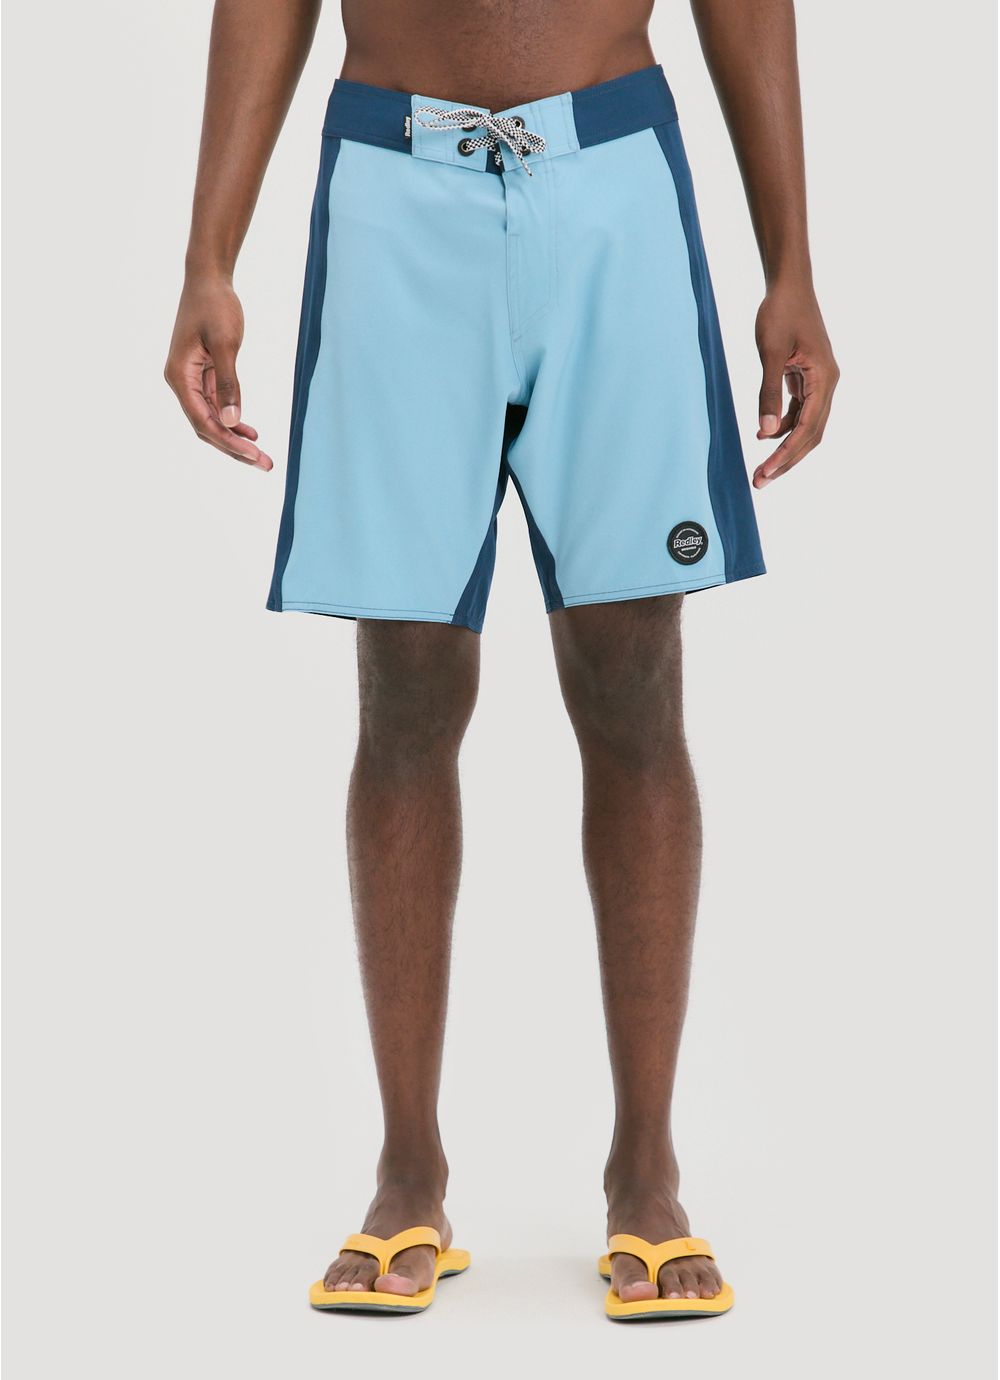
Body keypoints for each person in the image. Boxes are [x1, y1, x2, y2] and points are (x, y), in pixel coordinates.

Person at [165, 0, 838, 1320]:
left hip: (612, 181)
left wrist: (792, 264)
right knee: (407, 685)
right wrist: (208, 256)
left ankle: (647, 1172)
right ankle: (406, 1173)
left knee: (632, 680)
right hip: (394, 183)